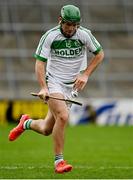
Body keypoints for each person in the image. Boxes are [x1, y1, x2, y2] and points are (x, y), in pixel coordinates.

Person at [8, 4, 104, 173]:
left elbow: (99, 54)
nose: (71, 28)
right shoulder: (50, 36)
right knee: (63, 116)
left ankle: (26, 123)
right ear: (60, 20)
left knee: (46, 129)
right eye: (68, 24)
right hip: (53, 82)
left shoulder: (84, 35)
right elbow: (40, 63)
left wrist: (85, 75)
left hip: (71, 87)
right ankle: (59, 161)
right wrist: (43, 88)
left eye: (75, 25)